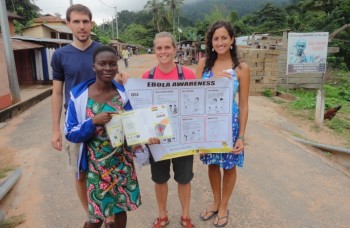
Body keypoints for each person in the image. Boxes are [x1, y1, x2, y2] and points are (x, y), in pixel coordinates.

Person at [65, 45, 160, 228]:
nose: (107, 68)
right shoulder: (79, 96)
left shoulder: (123, 95)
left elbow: (134, 125)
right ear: (94, 66)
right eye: (102, 64)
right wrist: (92, 122)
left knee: (120, 208)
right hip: (96, 166)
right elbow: (70, 132)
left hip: (122, 164)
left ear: (117, 66)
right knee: (96, 216)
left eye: (112, 64)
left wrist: (145, 138)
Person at [195, 20, 250, 227]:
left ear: (232, 39)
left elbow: (244, 105)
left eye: (224, 38)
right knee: (212, 164)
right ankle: (216, 202)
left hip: (231, 126)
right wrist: (210, 82)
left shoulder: (241, 68)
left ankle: (224, 205)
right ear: (211, 42)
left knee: (228, 167)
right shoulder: (204, 65)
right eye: (215, 38)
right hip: (208, 125)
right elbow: (194, 96)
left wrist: (241, 136)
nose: (220, 42)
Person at [50, 3, 101, 221]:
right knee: (80, 174)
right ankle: (91, 215)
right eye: (76, 21)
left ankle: (107, 213)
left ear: (91, 23)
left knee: (104, 170)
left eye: (85, 21)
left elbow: (113, 83)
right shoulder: (60, 55)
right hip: (75, 124)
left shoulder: (102, 50)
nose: (81, 26)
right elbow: (57, 93)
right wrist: (55, 130)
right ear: (68, 24)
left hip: (102, 121)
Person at [141, 32, 196, 228]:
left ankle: (185, 216)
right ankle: (162, 215)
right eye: (159, 48)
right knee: (160, 179)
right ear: (154, 50)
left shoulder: (188, 75)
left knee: (184, 178)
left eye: (167, 47)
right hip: (158, 141)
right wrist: (147, 134)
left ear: (174, 49)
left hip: (183, 139)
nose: (163, 52)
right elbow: (142, 110)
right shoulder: (147, 77)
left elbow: (195, 107)